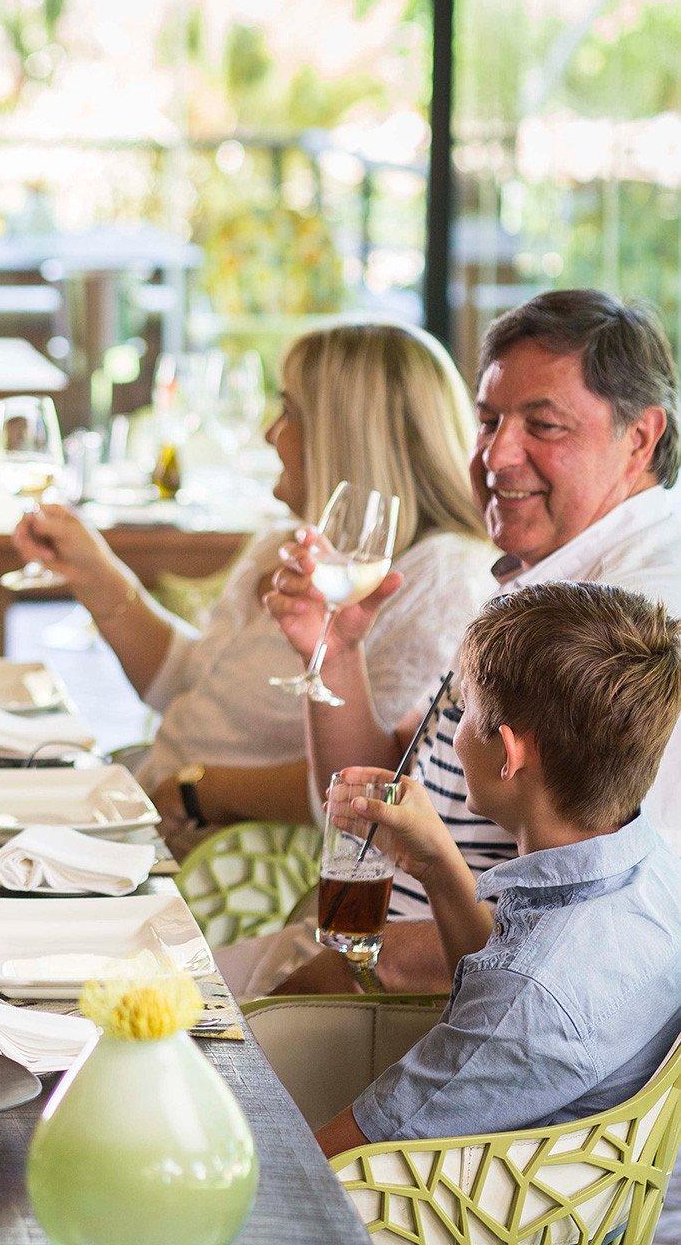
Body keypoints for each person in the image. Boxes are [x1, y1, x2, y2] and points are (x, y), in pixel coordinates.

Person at [242, 289, 681, 999]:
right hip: (368, 955)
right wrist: (336, 650)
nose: (495, 455)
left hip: (423, 1011)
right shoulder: (547, 581)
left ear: (639, 438)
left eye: (543, 425)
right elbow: (379, 799)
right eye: (488, 420)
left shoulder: (641, 621)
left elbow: (597, 941)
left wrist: (344, 964)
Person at [10, 322, 494, 829]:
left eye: (288, 411)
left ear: (343, 433)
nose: (268, 433)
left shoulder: (443, 578)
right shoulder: (283, 540)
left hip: (232, 857)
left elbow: (387, 780)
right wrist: (97, 576)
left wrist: (198, 790)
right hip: (153, 804)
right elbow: (189, 689)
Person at [312, 584, 681, 1191]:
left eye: (466, 715)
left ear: (509, 751)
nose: (454, 738)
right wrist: (435, 862)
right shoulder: (649, 876)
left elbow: (326, 1167)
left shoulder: (531, 997)